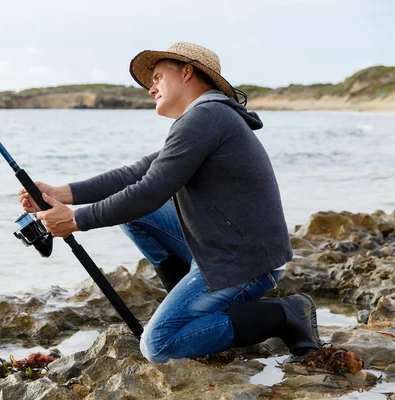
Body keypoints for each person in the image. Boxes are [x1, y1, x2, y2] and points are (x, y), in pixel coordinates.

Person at [18, 42, 320, 363]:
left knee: (159, 345)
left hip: (244, 264)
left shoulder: (206, 118)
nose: (151, 89)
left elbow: (149, 191)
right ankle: (189, 302)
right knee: (135, 215)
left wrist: (77, 220)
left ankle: (286, 313)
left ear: (187, 72)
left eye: (158, 77)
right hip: (225, 249)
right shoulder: (207, 117)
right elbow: (134, 175)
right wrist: (58, 192)